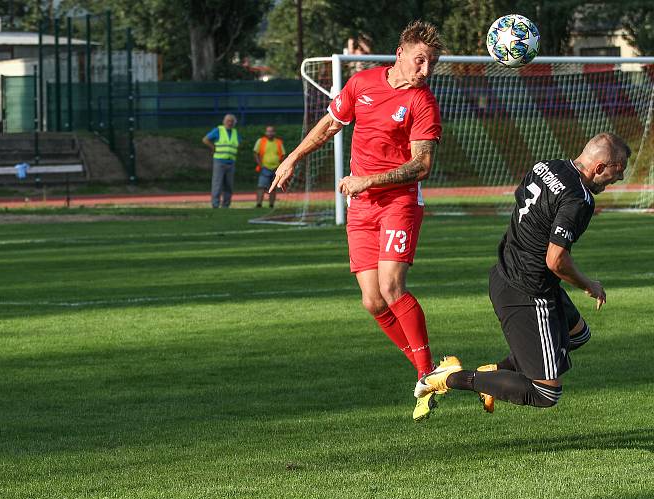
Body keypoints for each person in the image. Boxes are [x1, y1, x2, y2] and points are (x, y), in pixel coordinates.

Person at [269, 21, 445, 422]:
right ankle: (429, 370)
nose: (426, 71)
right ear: (399, 53)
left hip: (398, 201)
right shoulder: (362, 83)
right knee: (371, 300)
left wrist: (369, 180)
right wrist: (294, 157)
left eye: (432, 63)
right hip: (361, 207)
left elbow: (422, 165)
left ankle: (426, 371)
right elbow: (332, 123)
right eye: (420, 61)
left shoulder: (423, 103)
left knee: (391, 285)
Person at [414, 133, 631, 412]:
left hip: (511, 272)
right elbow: (556, 260)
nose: (620, 178)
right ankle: (449, 378)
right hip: (527, 293)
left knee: (577, 335)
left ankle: (494, 373)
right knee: (545, 393)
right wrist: (589, 285)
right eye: (618, 170)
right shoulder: (579, 199)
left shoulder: (547, 166)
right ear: (600, 167)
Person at [203, 114, 240, 208]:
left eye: (231, 121)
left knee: (229, 185)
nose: (230, 123)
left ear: (234, 123)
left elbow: (237, 144)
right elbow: (205, 139)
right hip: (219, 161)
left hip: (231, 161)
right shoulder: (218, 130)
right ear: (224, 121)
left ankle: (226, 205)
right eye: (228, 121)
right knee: (217, 184)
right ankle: (215, 204)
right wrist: (213, 147)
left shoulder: (235, 132)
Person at [252, 125, 285, 208]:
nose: (270, 133)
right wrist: (260, 164)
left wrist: (280, 166)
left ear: (274, 132)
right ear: (265, 132)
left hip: (276, 168)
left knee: (273, 187)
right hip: (265, 168)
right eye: (268, 131)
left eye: (271, 131)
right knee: (261, 187)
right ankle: (259, 204)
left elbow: (283, 155)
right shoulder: (261, 141)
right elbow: (255, 153)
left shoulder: (278, 142)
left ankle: (271, 204)